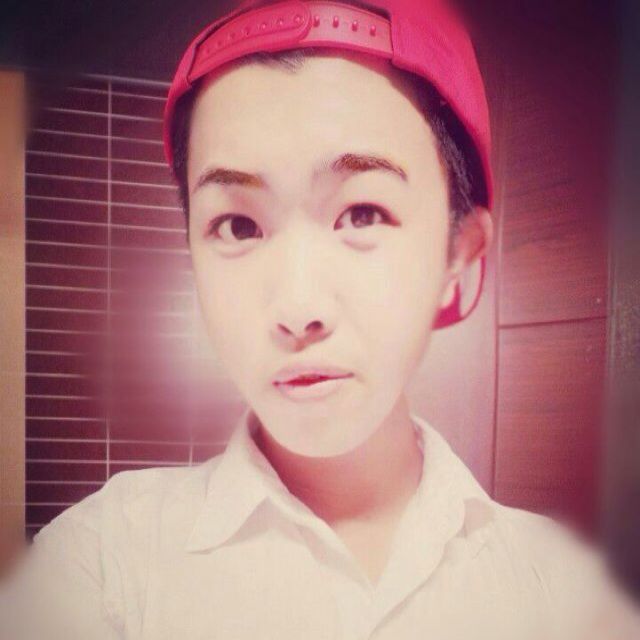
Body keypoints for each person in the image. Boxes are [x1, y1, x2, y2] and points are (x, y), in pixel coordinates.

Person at [1, 0, 639, 638]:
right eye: (238, 225)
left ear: (459, 258)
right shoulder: (105, 564)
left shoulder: (561, 595)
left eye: (362, 214)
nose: (298, 309)